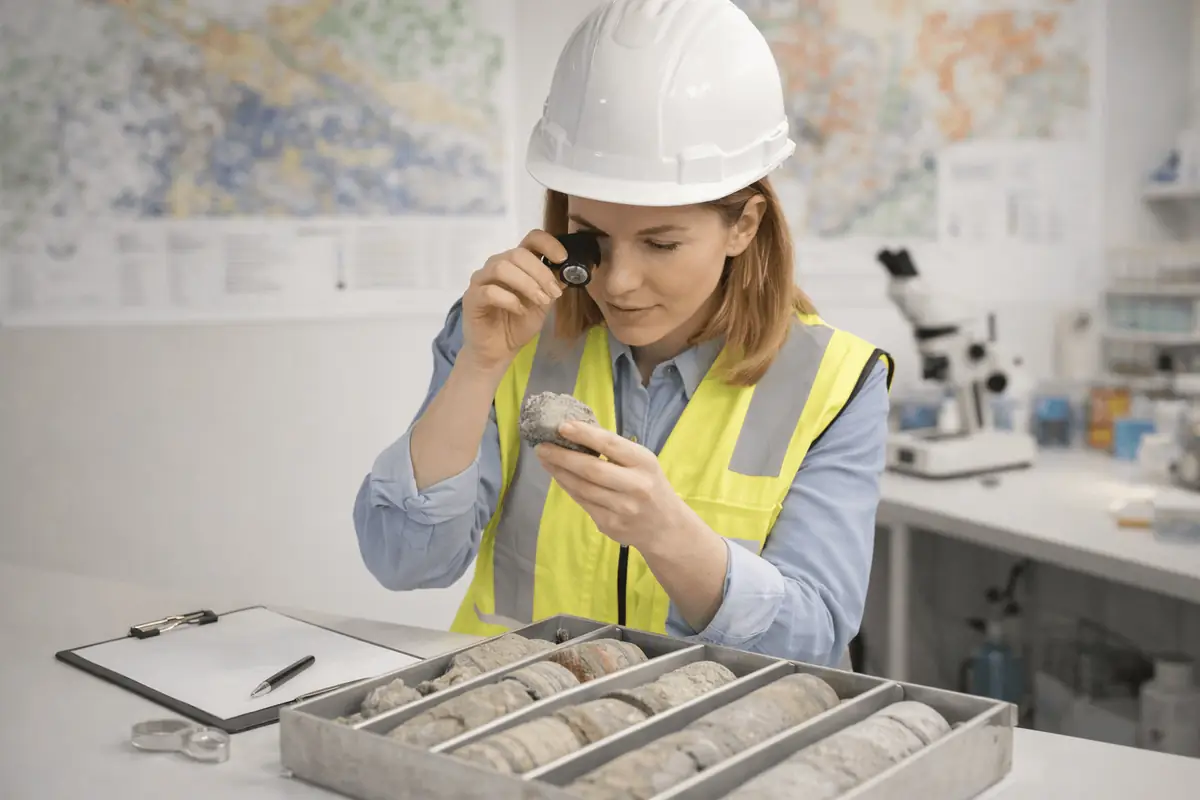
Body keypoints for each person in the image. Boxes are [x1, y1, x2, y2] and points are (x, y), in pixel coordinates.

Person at [352, 0, 893, 668]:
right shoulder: (507, 334)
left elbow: (814, 635)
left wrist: (667, 533)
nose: (619, 284)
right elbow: (403, 560)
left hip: (720, 740)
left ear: (744, 225)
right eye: (596, 239)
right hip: (516, 719)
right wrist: (478, 365)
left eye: (661, 243)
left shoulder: (837, 381)